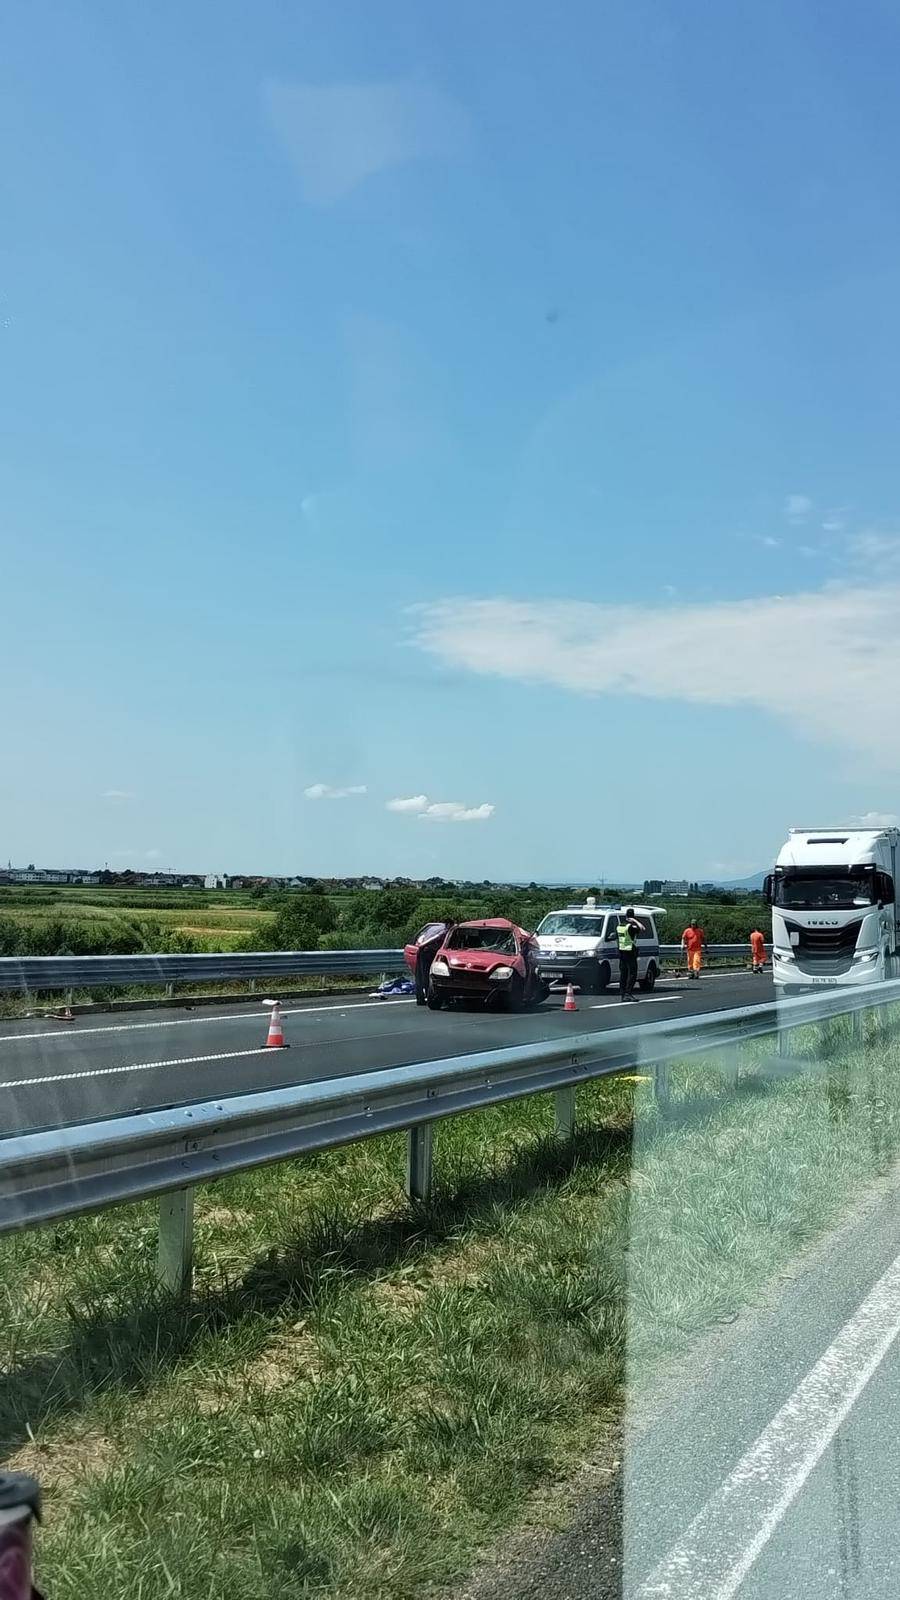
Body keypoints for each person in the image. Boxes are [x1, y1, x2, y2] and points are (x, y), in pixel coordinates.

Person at [616, 906, 645, 1001]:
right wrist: (635, 921)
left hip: (621, 951)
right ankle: (628, 993)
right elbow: (642, 928)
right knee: (632, 973)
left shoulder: (620, 926)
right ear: (632, 916)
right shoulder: (630, 927)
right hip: (630, 951)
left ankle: (623, 994)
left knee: (623, 973)